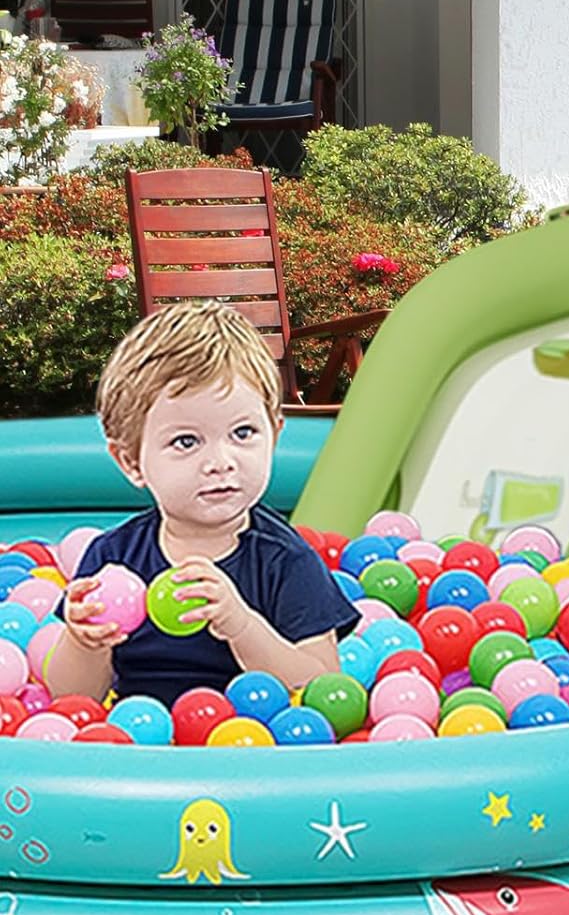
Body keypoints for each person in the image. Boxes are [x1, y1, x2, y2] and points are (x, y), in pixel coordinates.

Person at [47, 302, 359, 706]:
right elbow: (72, 697)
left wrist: (241, 625)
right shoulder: (112, 559)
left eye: (242, 433)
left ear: (274, 436)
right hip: (141, 736)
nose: (220, 462)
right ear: (130, 462)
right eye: (186, 441)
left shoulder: (286, 560)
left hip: (252, 733)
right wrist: (84, 640)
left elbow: (324, 687)